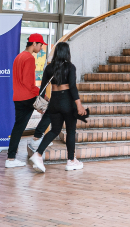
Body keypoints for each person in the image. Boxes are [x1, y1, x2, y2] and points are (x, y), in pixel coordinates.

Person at [28, 41, 87, 173]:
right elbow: (72, 87)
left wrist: (40, 104)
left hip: (54, 101)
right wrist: (79, 105)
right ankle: (71, 161)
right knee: (71, 131)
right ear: (67, 52)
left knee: (55, 130)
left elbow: (42, 88)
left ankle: (38, 155)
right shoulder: (70, 67)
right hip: (67, 102)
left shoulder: (49, 68)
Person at [5, 33, 51, 168]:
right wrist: (41, 95)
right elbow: (28, 82)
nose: (41, 48)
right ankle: (37, 138)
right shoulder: (29, 58)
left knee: (18, 128)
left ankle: (11, 158)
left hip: (18, 97)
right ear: (34, 43)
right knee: (52, 109)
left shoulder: (18, 57)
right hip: (27, 97)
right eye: (40, 45)